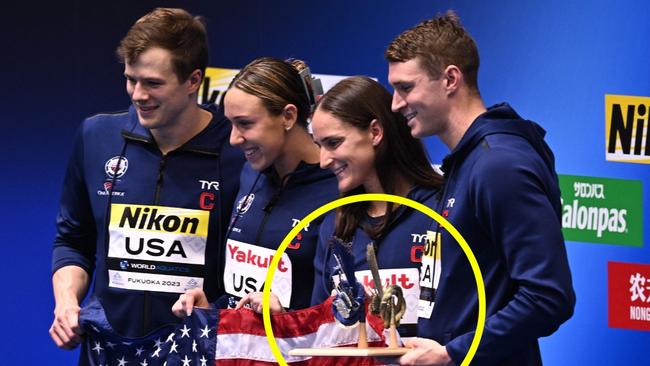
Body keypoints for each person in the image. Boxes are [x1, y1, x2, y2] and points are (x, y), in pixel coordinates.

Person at [49, 7, 245, 361]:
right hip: (108, 348)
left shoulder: (238, 153)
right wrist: (66, 302)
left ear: (193, 81)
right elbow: (73, 240)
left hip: (194, 349)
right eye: (130, 79)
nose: (138, 94)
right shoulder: (96, 136)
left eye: (153, 83)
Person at [385, 11, 576, 365]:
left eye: (406, 88)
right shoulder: (468, 161)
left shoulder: (498, 165)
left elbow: (549, 297)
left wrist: (452, 353)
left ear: (450, 79)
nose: (396, 104)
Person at [172, 57, 338, 317]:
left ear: (288, 116)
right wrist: (212, 308)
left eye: (246, 124)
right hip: (240, 353)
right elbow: (243, 288)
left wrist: (286, 316)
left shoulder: (338, 189)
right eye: (231, 124)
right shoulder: (251, 172)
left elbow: (344, 317)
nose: (234, 139)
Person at [310, 76, 443, 339]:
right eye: (319, 146)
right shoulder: (335, 224)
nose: (323, 160)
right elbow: (322, 330)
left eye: (333, 143)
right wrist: (280, 317)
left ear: (375, 132)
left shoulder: (441, 211)